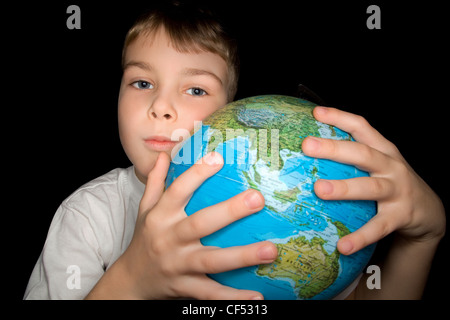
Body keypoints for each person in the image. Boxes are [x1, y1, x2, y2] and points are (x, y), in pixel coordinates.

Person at [24, 2, 445, 300]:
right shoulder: (89, 216)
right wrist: (133, 280)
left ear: (232, 110)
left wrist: (423, 239)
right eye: (141, 83)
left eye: (194, 89)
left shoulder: (283, 202)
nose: (161, 107)